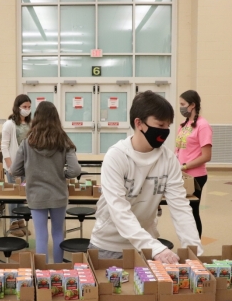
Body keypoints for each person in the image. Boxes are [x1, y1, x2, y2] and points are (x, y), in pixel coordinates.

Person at [89, 91, 203, 264]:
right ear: (139, 123)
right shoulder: (117, 156)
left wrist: (195, 251)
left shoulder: (168, 159)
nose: (164, 131)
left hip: (146, 247)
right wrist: (157, 248)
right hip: (108, 247)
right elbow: (119, 210)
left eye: (168, 126)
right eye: (160, 124)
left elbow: (180, 207)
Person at [11, 101, 81, 263]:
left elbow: (14, 170)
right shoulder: (63, 140)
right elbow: (75, 170)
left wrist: (30, 172)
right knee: (58, 234)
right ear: (56, 118)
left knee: (41, 236)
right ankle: (59, 269)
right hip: (58, 195)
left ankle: (43, 275)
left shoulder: (28, 142)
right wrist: (62, 173)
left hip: (36, 196)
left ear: (37, 118)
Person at [175, 90, 212, 238]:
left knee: (192, 211)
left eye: (183, 104)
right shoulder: (184, 125)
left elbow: (206, 156)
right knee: (184, 213)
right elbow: (178, 149)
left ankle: (195, 248)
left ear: (192, 105)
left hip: (195, 176)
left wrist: (184, 166)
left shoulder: (203, 126)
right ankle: (187, 242)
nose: (181, 108)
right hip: (181, 174)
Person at [1, 94, 32, 237]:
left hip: (27, 166)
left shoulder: (30, 124)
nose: (27, 109)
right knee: (14, 195)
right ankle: (13, 223)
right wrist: (10, 166)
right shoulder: (10, 124)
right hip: (14, 165)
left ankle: (20, 221)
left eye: (29, 107)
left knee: (23, 194)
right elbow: (4, 146)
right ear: (17, 107)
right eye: (24, 107)